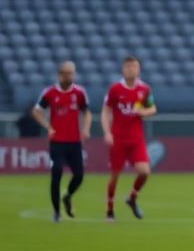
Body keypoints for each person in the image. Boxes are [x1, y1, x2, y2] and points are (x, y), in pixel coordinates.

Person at [32, 61, 91, 221]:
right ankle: (57, 212)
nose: (68, 76)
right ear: (59, 75)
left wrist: (85, 129)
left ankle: (67, 196)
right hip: (57, 141)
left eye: (71, 73)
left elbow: (86, 113)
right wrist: (48, 126)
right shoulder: (50, 93)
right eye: (65, 73)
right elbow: (37, 111)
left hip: (74, 142)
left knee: (78, 176)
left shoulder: (79, 93)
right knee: (56, 171)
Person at [101, 56, 157, 220]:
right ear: (123, 69)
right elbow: (105, 111)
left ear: (138, 69)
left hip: (136, 138)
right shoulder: (115, 89)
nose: (131, 69)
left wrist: (144, 112)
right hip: (118, 138)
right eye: (128, 67)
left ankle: (132, 197)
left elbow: (152, 108)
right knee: (115, 175)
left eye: (134, 66)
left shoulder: (144, 89)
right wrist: (107, 132)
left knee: (144, 171)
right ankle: (110, 211)